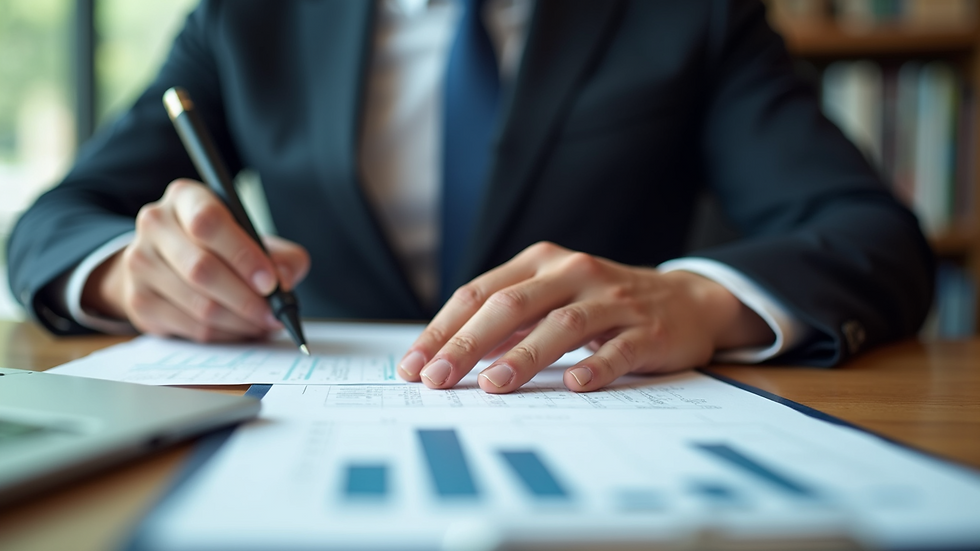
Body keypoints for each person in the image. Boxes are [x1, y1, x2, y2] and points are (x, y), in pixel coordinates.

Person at [7, 0, 933, 395]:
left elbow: (872, 236)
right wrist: (128, 275)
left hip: (597, 434)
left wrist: (697, 297)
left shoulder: (690, 13)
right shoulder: (251, 16)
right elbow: (56, 219)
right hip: (304, 428)